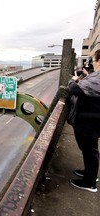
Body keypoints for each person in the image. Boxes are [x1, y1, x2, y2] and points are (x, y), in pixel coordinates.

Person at [68, 49, 100, 193]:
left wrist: (72, 80)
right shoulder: (96, 77)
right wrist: (87, 77)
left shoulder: (98, 78)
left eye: (94, 60)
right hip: (93, 121)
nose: (92, 63)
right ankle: (90, 174)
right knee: (90, 150)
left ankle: (89, 183)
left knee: (89, 150)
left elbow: (76, 89)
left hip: (89, 121)